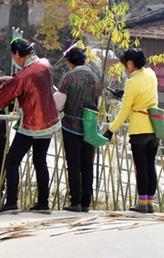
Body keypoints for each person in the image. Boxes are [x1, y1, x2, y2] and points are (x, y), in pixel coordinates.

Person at [0, 37, 60, 215]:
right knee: (40, 161)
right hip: (49, 120)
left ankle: (12, 202)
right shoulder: (45, 64)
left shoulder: (23, 76)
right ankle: (43, 203)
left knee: (12, 161)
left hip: (32, 123)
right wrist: (13, 80)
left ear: (17, 54)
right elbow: (32, 81)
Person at [102, 47, 160, 214]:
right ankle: (149, 202)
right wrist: (124, 93)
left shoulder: (131, 82)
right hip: (154, 126)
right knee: (150, 166)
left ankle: (141, 202)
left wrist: (111, 130)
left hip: (139, 129)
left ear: (129, 63)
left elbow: (124, 111)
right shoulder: (151, 74)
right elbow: (144, 95)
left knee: (140, 167)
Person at [58, 45, 102, 213]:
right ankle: (86, 202)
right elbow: (97, 103)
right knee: (87, 164)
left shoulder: (68, 78)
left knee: (74, 164)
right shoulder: (96, 78)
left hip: (71, 126)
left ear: (70, 62)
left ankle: (75, 200)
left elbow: (59, 103)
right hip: (90, 126)